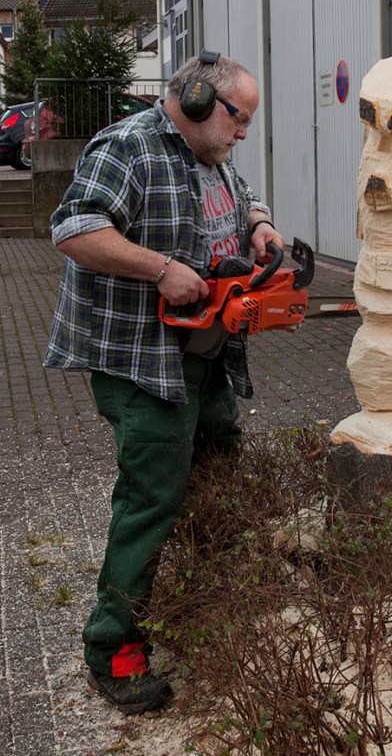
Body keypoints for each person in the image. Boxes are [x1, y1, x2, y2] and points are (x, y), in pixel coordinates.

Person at [44, 52, 285, 715]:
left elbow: (241, 192)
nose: (243, 133)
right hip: (142, 360)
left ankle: (197, 599)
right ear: (201, 100)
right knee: (153, 497)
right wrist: (159, 269)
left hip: (205, 354)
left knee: (219, 466)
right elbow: (74, 227)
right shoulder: (129, 147)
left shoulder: (210, 153)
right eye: (239, 118)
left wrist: (259, 223)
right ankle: (114, 649)